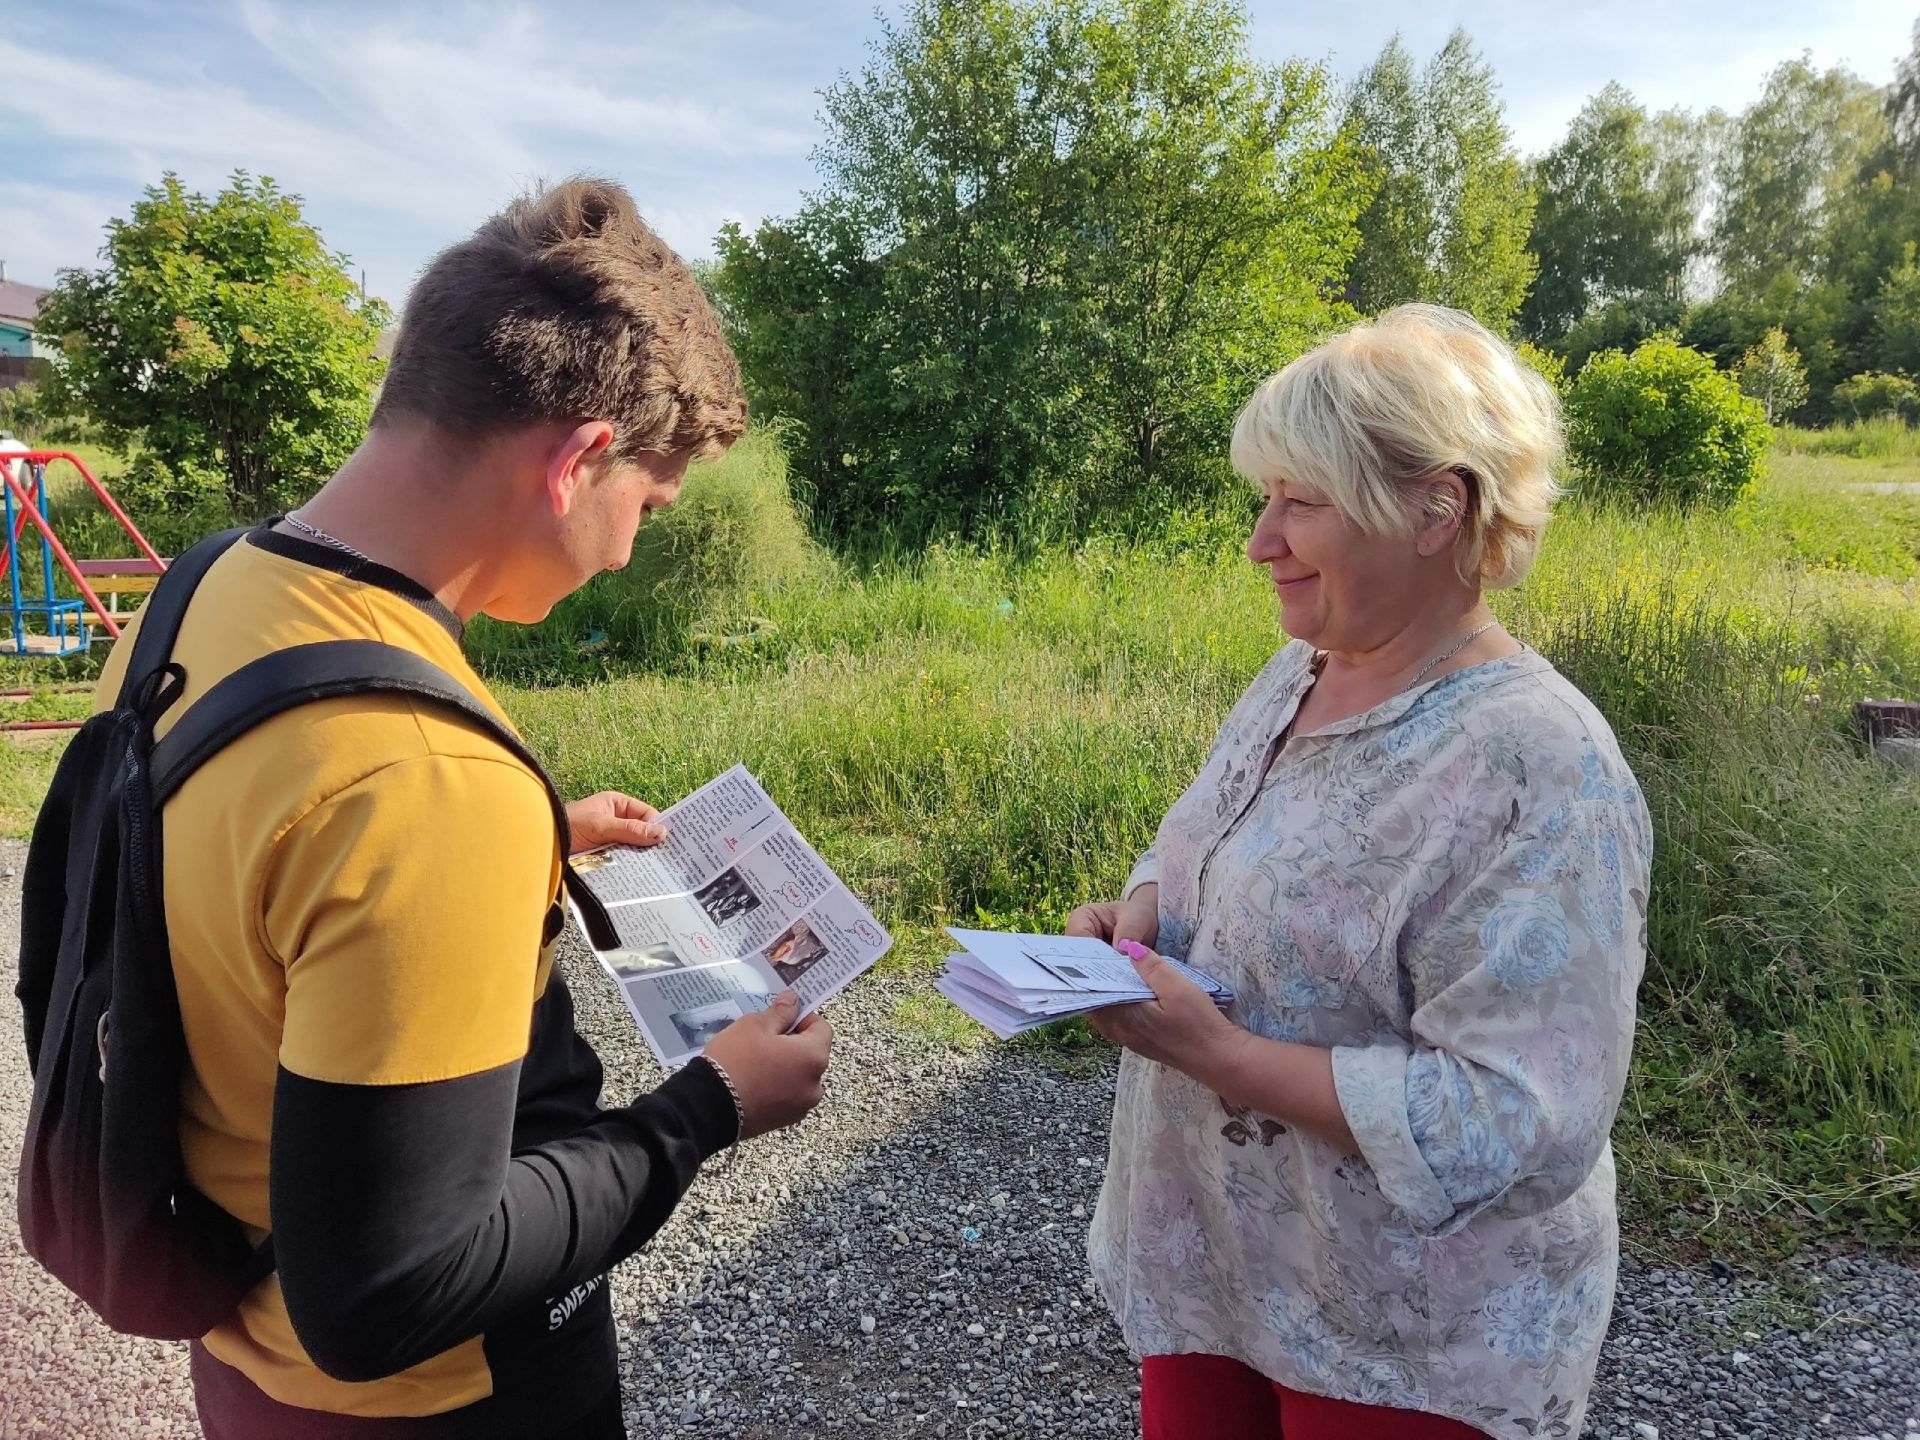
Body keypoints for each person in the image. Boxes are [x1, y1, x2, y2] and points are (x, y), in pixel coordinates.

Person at [89, 179, 833, 1440]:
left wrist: (535, 833)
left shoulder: (205, 595)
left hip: (235, 1353)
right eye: (646, 510)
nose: (625, 555)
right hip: (438, 1405)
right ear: (582, 459)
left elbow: (263, 888)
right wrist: (712, 1105)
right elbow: (388, 1294)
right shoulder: (422, 780)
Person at [1068, 304, 1652, 1440]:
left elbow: (1515, 1119)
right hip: (1221, 1278)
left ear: (1439, 508)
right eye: (1265, 497)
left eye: (1302, 502)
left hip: (1408, 1343)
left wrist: (1217, 1051)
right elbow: (1196, 840)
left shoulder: (1539, 765)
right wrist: (1133, 920)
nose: (1259, 540)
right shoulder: (1298, 674)